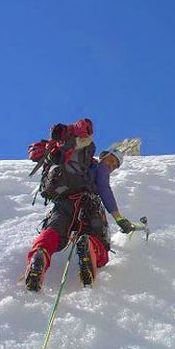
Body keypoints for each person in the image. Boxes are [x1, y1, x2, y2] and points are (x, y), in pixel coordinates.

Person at [25, 120, 135, 292]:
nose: (112, 166)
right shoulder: (100, 166)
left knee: (54, 231)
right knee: (98, 240)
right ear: (104, 156)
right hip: (88, 205)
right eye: (112, 161)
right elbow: (104, 189)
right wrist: (118, 218)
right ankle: (89, 246)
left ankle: (40, 253)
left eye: (115, 165)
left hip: (64, 201)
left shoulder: (79, 162)